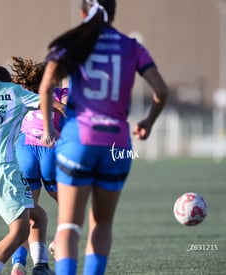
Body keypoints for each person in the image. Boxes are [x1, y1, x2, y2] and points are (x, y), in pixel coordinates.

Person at [38, 0, 169, 274]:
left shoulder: (73, 42)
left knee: (68, 227)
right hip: (118, 145)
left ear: (83, 11)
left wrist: (49, 131)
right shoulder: (132, 46)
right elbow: (161, 91)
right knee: (103, 223)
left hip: (77, 141)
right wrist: (149, 121)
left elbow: (46, 86)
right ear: (114, 13)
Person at [0, 61, 65, 275]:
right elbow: (50, 102)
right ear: (5, 80)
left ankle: (41, 267)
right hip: (4, 170)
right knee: (19, 230)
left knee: (38, 216)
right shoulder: (14, 92)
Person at [9, 56, 68, 275]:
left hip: (24, 149)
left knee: (27, 213)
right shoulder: (61, 95)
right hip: (49, 149)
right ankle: (56, 244)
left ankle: (19, 264)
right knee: (69, 206)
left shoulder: (24, 95)